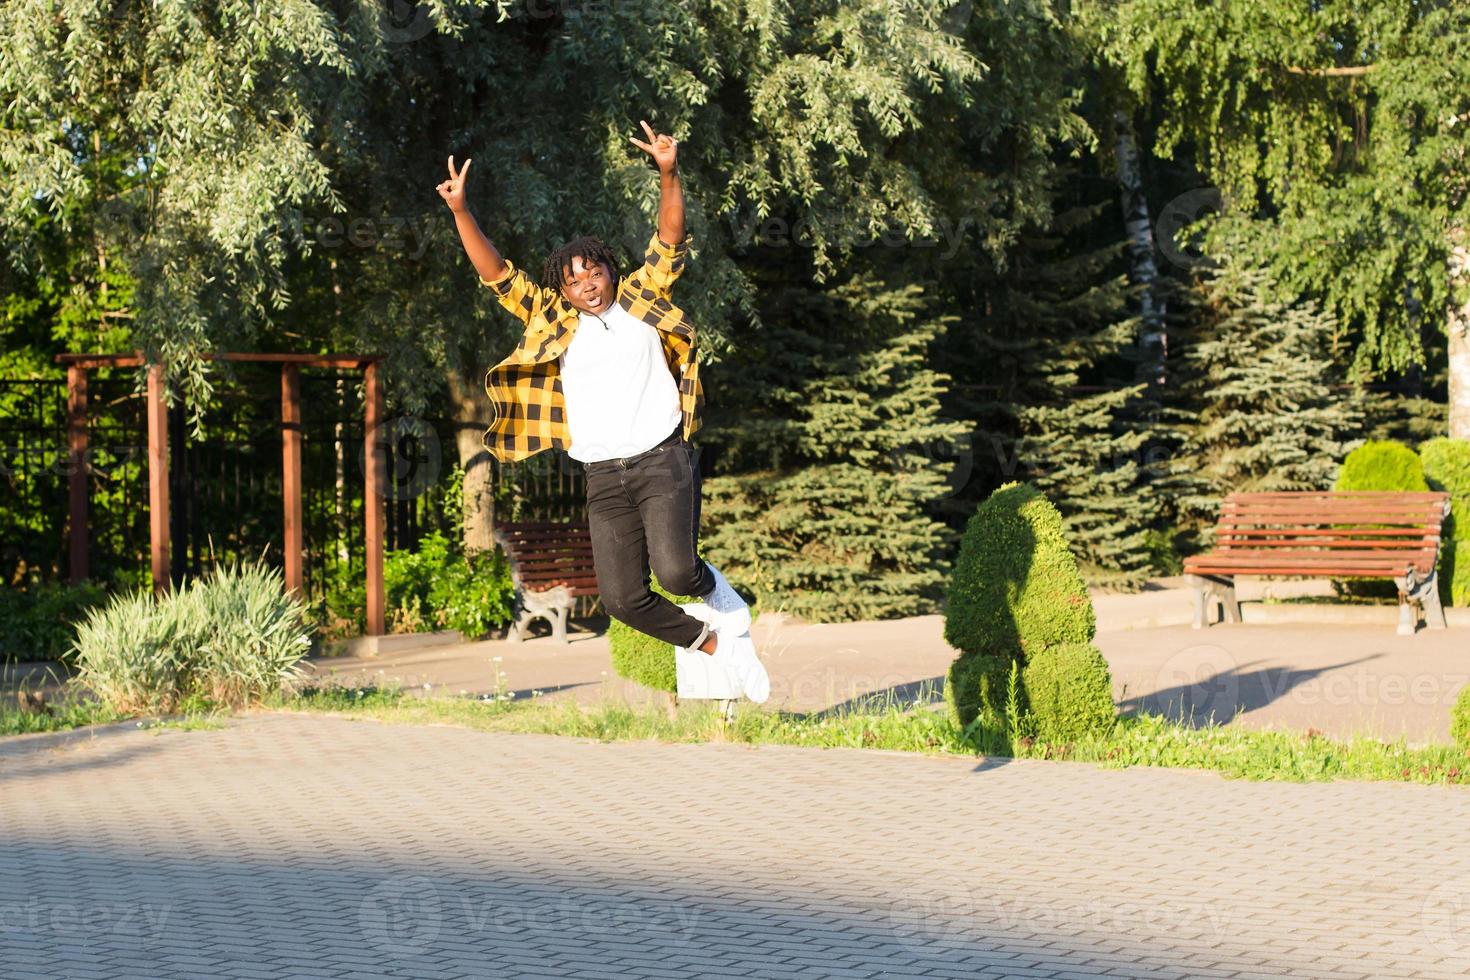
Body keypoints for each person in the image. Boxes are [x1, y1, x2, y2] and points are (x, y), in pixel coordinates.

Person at [437, 119, 769, 702]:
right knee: (622, 600)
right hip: (603, 476)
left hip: (662, 460)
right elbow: (495, 275)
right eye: (574, 280)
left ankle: (725, 600)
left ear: (611, 271)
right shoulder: (552, 321)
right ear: (562, 291)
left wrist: (669, 172)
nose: (587, 285)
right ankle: (717, 645)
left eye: (594, 272)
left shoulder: (642, 296)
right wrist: (462, 211)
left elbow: (669, 239)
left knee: (675, 574)